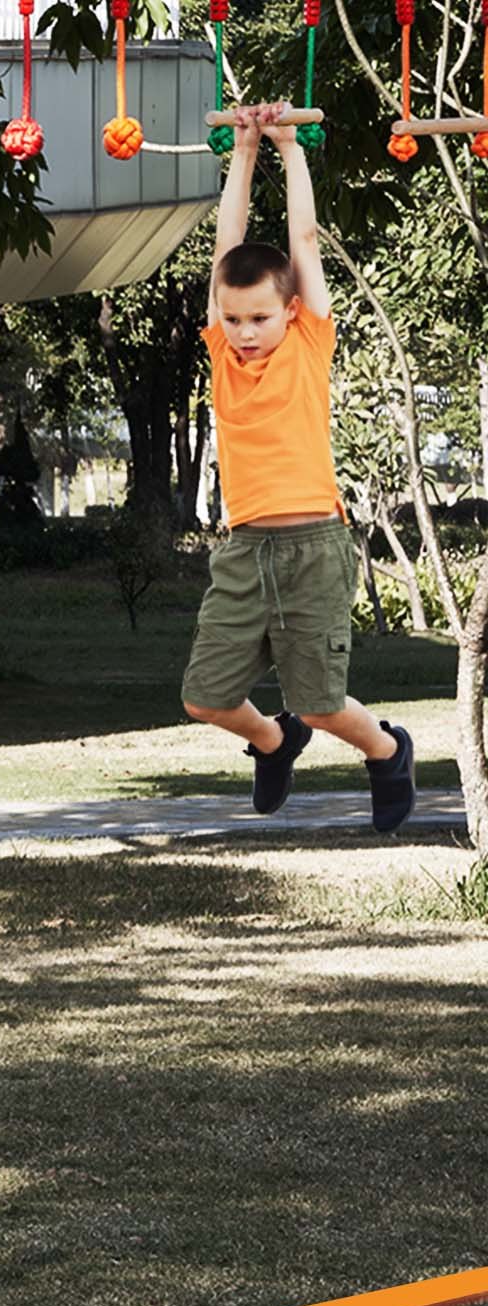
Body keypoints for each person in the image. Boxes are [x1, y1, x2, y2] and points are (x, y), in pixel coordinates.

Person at [181, 103, 416, 832]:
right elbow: (228, 241)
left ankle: (385, 751)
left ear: (288, 312)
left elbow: (303, 240)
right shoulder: (223, 353)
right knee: (205, 697)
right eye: (235, 319)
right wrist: (243, 150)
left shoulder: (310, 343)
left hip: (314, 543)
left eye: (260, 318)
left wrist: (289, 149)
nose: (246, 332)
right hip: (245, 548)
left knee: (321, 698)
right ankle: (274, 741)